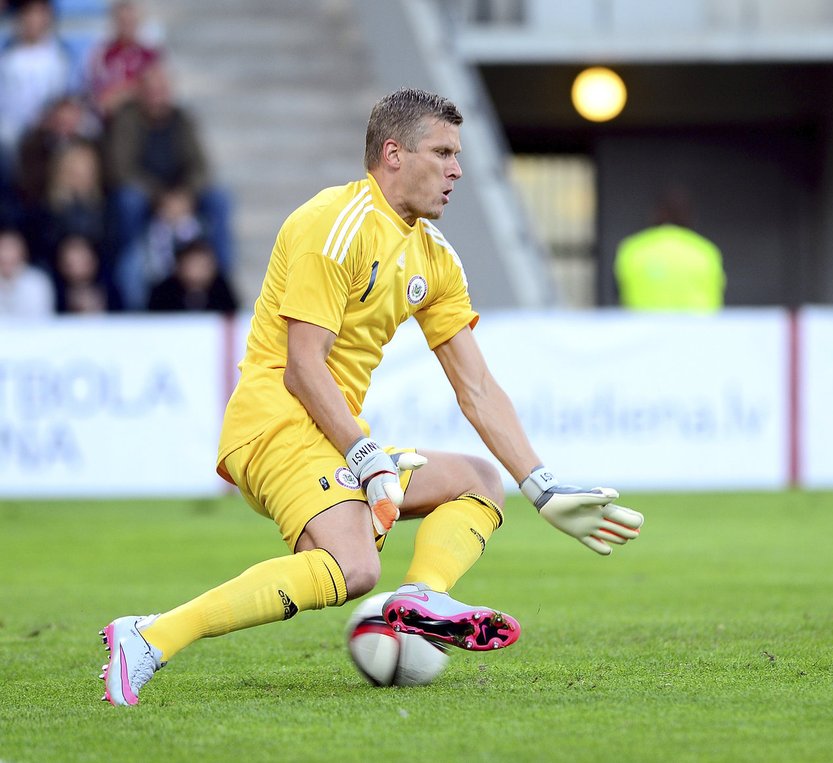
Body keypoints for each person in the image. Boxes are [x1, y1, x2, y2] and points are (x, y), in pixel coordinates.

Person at [98, 88, 644, 707]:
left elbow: (477, 387)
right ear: (393, 154)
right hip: (276, 423)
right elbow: (302, 368)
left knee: (478, 482)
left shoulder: (434, 257)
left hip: (331, 433)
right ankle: (147, 637)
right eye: (442, 153)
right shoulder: (334, 224)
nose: (456, 170)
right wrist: (366, 456)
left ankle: (418, 602)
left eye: (457, 155)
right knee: (355, 569)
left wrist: (541, 485)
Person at [104, 60, 233, 294]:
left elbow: (200, 165)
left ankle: (220, 281)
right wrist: (161, 198)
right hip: (146, 197)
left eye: (162, 91)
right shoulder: (127, 120)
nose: (157, 97)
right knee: (127, 201)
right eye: (151, 91)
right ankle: (129, 284)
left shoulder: (182, 118)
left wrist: (185, 196)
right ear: (141, 93)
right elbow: (121, 169)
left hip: (182, 194)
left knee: (220, 198)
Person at [614, 187, 725, 312]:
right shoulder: (706, 251)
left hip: (644, 329)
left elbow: (620, 294)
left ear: (655, 213)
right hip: (696, 330)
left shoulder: (632, 249)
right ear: (689, 216)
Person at [0, 0, 78, 172]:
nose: (33, 20)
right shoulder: (7, 56)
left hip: (49, 126)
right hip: (11, 129)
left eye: (38, 14)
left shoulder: (61, 55)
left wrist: (49, 119)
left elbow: (68, 95)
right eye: (28, 14)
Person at [84, 0, 162, 120]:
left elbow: (157, 92)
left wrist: (124, 93)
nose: (127, 26)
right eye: (123, 22)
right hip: (110, 120)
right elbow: (101, 99)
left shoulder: (150, 55)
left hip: (143, 120)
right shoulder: (102, 54)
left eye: (131, 22)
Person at [147, 236, 236, 313]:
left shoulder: (221, 290)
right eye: (193, 265)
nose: (197, 272)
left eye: (203, 265)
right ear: (180, 267)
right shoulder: (162, 293)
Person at [0, 226, 54, 316]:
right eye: (3, 248)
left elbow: (42, 316)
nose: (6, 254)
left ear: (23, 251)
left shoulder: (37, 281)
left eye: (11, 248)